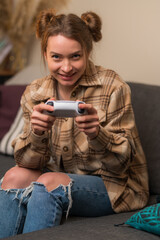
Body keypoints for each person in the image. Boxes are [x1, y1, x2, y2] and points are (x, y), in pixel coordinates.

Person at [0, 9, 149, 238]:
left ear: (87, 52)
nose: (66, 67)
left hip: (113, 186)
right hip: (60, 174)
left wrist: (97, 134)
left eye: (75, 56)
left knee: (49, 183)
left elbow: (121, 166)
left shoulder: (113, 87)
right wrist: (37, 133)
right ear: (45, 54)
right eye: (56, 57)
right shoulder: (35, 92)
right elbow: (27, 163)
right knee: (13, 176)